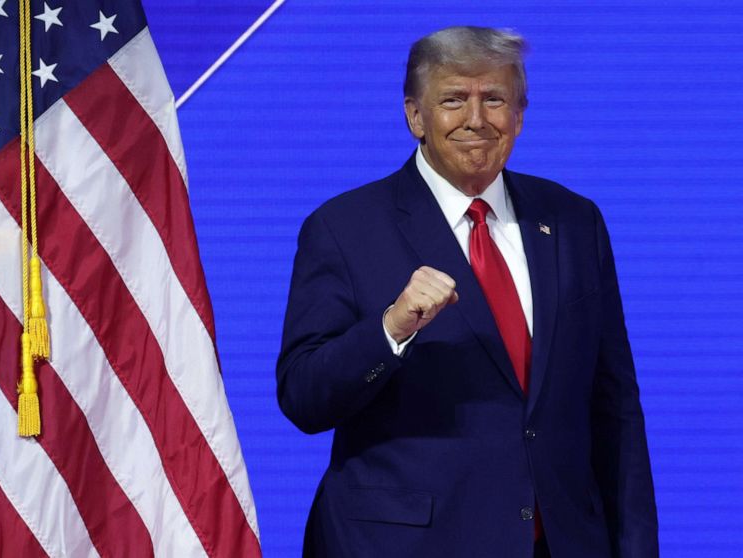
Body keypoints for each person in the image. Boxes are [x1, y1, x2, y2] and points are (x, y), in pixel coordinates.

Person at [276, 26, 658, 558]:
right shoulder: (344, 228)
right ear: (415, 116)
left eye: (494, 100)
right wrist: (390, 329)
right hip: (404, 545)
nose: (476, 119)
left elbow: (615, 407)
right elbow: (304, 398)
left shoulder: (573, 221)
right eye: (453, 100)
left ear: (519, 115)